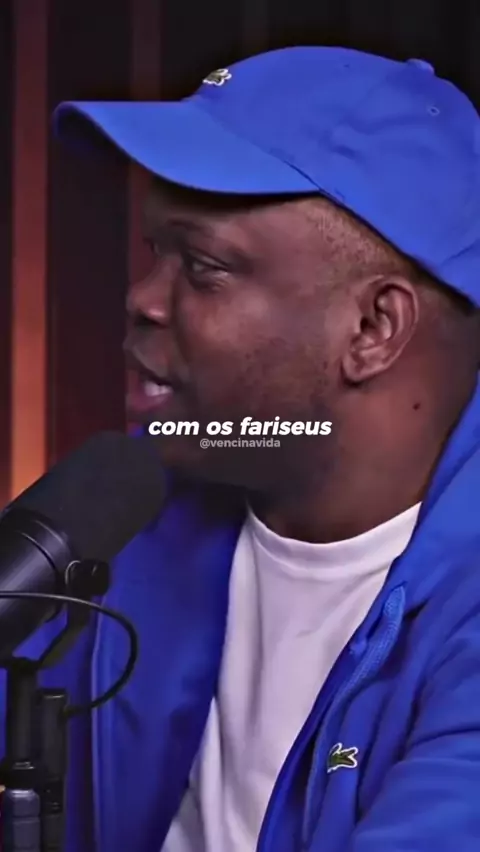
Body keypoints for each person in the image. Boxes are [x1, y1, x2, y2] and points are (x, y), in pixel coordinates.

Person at [12, 46, 480, 852]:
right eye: (155, 254)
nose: (142, 299)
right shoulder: (126, 513)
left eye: (203, 267)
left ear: (372, 328)